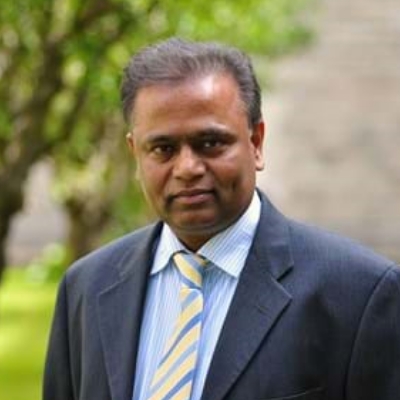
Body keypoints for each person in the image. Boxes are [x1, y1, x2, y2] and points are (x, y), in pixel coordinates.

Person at [43, 38, 400, 400]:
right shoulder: (85, 287)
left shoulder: (360, 295)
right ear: (136, 153)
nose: (187, 168)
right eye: (163, 149)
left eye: (210, 143)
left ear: (256, 142)